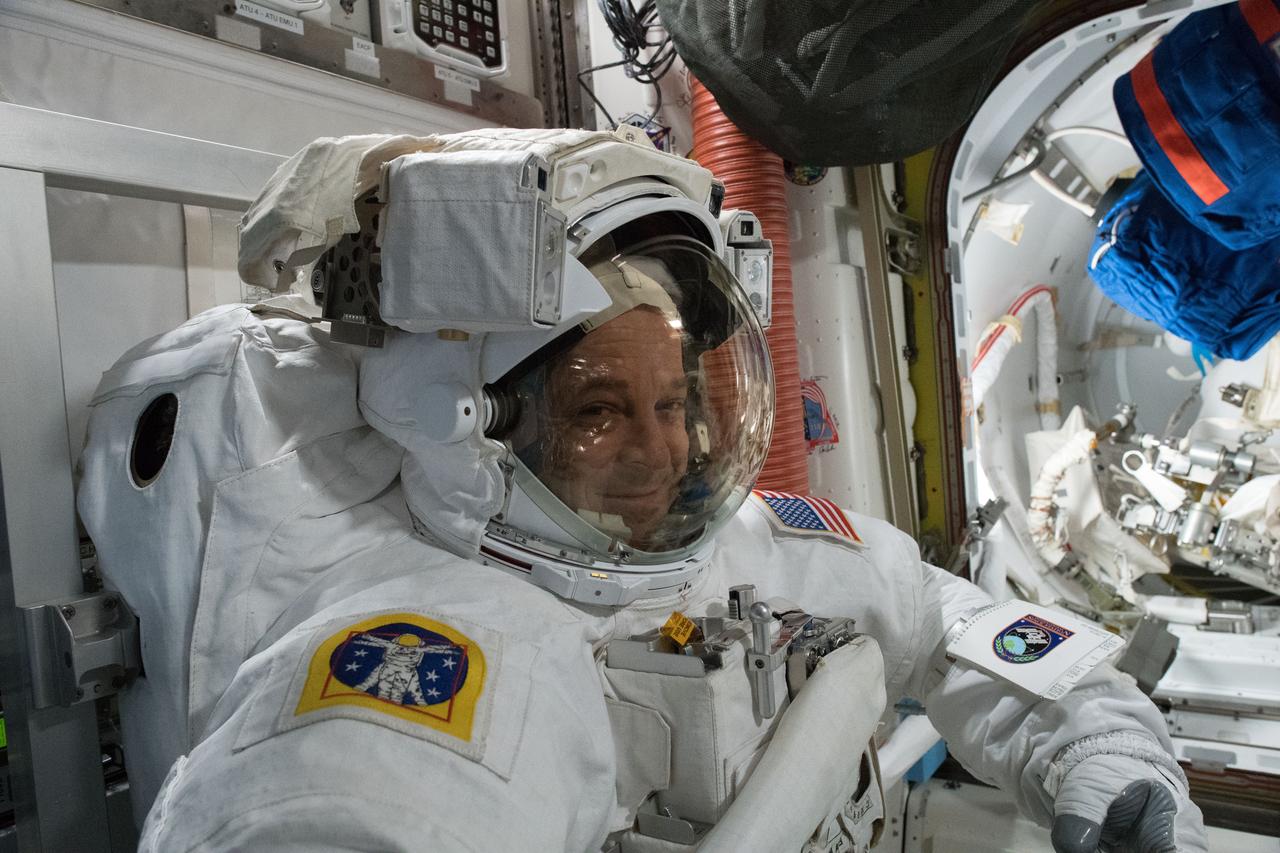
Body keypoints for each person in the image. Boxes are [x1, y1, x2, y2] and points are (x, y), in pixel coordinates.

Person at [86, 130, 1205, 852]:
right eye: (597, 409)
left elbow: (947, 618)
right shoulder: (424, 665)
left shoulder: (732, 542)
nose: (663, 453)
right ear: (472, 430)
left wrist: (1098, 751)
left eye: (673, 402)